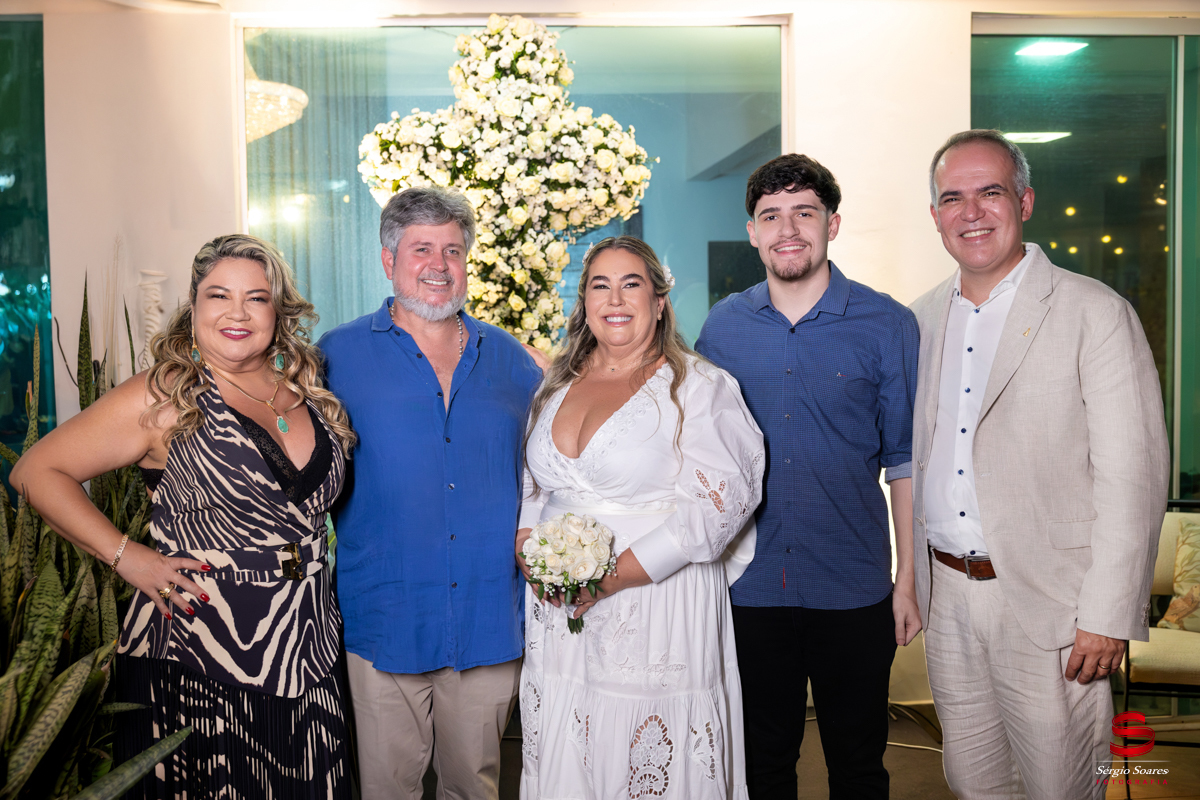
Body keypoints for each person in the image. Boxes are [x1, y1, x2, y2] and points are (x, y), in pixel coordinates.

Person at [10, 234, 357, 798]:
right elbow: (36, 471)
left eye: (256, 298)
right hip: (201, 649)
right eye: (218, 296)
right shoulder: (166, 395)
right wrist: (129, 557)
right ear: (193, 306)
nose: (237, 313)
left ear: (278, 309)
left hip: (309, 644)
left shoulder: (306, 387)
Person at [911, 129, 1170, 799]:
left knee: (1063, 786)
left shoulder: (1095, 312)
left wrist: (1108, 613)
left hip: (1054, 604)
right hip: (949, 598)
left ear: (1024, 202)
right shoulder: (919, 320)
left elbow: (1134, 477)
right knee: (973, 784)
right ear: (935, 215)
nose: (971, 212)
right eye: (953, 198)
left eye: (990, 192)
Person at [695, 153, 921, 800]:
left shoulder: (888, 325)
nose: (787, 229)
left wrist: (908, 581)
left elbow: (905, 461)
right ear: (752, 233)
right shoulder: (723, 328)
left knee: (859, 769)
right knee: (762, 768)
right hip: (749, 590)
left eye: (804, 212)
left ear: (832, 224)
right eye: (771, 216)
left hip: (853, 590)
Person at [516, 236, 765, 800]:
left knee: (643, 756)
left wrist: (610, 578)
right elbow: (535, 483)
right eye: (599, 285)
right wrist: (528, 550)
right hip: (557, 612)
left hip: (654, 607)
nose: (615, 299)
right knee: (566, 742)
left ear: (659, 301)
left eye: (631, 284)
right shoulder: (555, 385)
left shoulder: (698, 387)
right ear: (584, 302)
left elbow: (717, 508)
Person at [319, 186, 541, 800]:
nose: (439, 265)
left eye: (452, 250)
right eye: (422, 249)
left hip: (486, 617)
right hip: (383, 617)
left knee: (475, 787)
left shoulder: (513, 360)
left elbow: (553, 469)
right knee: (387, 789)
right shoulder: (333, 356)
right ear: (388, 260)